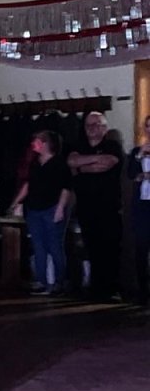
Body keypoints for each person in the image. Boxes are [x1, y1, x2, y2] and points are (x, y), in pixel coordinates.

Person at [67, 112, 123, 301]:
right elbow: (71, 161)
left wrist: (82, 167)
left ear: (104, 128)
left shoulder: (112, 146)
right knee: (92, 247)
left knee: (109, 248)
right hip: (86, 208)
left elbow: (108, 163)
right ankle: (96, 289)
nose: (92, 128)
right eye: (89, 125)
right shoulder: (77, 146)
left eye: (96, 124)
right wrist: (92, 161)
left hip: (109, 208)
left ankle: (111, 289)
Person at [10, 130, 71, 296]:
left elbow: (66, 188)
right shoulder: (35, 163)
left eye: (37, 141)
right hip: (34, 209)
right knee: (38, 246)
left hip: (51, 208)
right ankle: (40, 281)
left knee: (55, 246)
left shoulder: (59, 163)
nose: (33, 144)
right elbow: (28, 185)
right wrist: (16, 202)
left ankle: (60, 282)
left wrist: (60, 208)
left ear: (45, 144)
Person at [127, 114, 150, 305]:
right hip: (142, 205)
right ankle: (143, 292)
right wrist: (140, 155)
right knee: (141, 248)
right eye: (148, 126)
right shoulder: (137, 151)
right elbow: (131, 174)